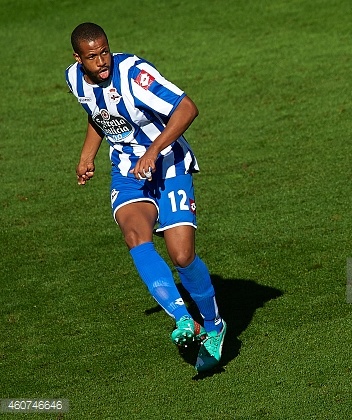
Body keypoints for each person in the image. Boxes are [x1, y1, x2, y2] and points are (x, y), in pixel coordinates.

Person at [65, 22, 226, 372]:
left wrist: (153, 150)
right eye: (92, 57)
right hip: (128, 172)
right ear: (78, 59)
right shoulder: (74, 79)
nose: (102, 60)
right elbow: (98, 115)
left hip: (168, 167)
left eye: (105, 51)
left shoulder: (135, 75)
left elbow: (187, 108)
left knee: (182, 256)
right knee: (135, 236)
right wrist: (87, 156)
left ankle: (214, 325)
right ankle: (185, 319)